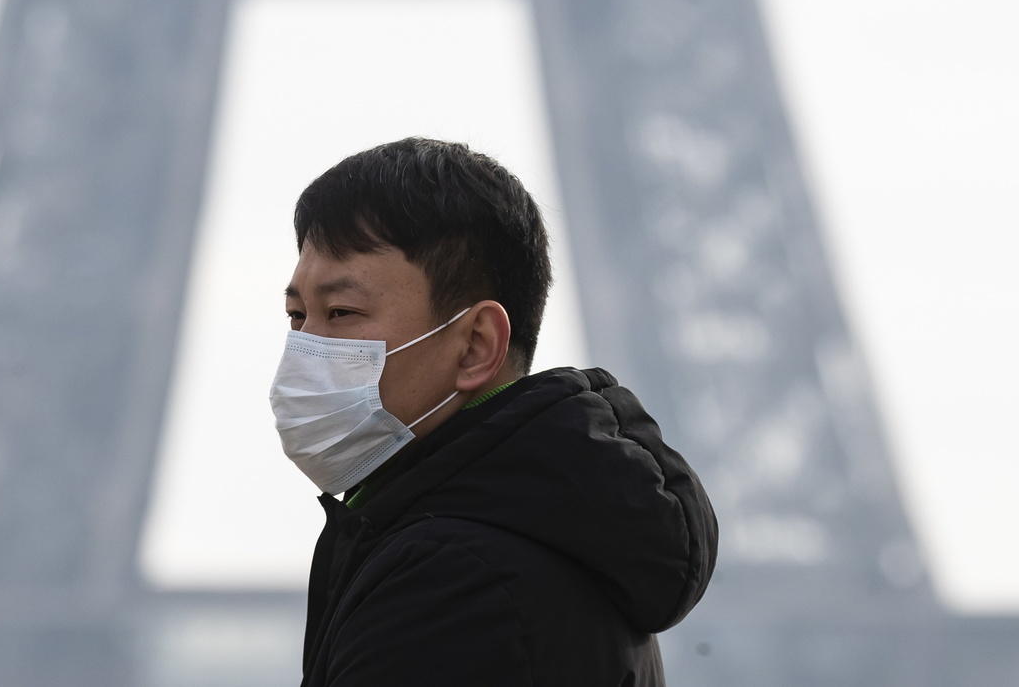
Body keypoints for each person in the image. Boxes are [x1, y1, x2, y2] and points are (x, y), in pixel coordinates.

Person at [270, 137, 718, 686]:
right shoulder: (544, 535)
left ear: (476, 345)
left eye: (341, 312)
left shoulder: (451, 582)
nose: (306, 349)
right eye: (297, 316)